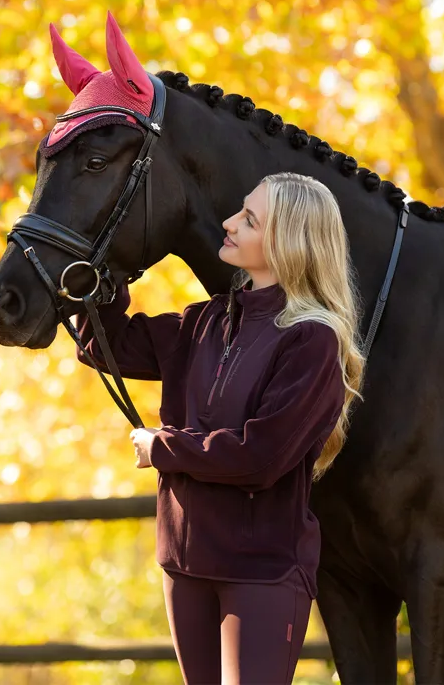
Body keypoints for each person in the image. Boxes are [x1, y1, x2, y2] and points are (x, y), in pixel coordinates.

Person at [75, 171, 364, 684]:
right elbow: (106, 345)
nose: (228, 223)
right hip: (184, 562)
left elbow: (261, 456)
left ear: (287, 243)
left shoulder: (312, 341)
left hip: (262, 569)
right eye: (240, 210)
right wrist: (105, 267)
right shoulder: (206, 321)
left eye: (249, 219)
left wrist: (163, 447)